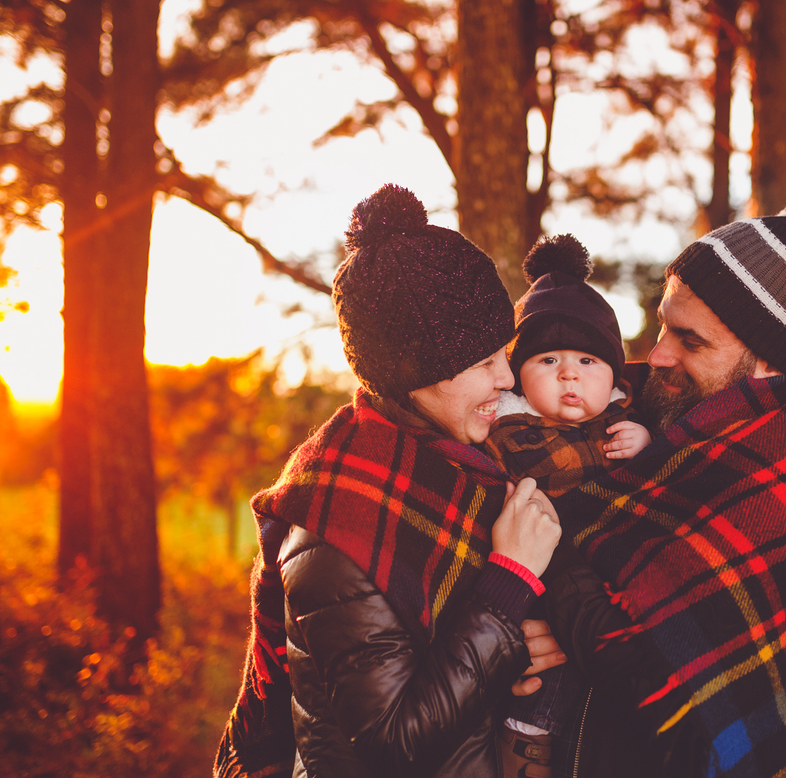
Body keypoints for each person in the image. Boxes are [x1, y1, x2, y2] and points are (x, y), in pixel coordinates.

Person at [213, 184, 565, 778]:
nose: (507, 376)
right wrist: (508, 587)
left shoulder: (459, 473)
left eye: (502, 353)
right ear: (414, 374)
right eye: (482, 362)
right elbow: (394, 741)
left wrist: (514, 647)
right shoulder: (340, 520)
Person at [545, 171, 786, 778]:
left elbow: (654, 689)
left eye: (689, 339)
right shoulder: (637, 411)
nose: (657, 353)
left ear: (768, 365)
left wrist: (551, 591)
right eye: (664, 325)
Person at [482, 234, 652, 776]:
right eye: (547, 359)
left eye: (587, 360)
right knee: (543, 677)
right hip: (534, 582)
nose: (568, 374)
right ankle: (523, 742)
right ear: (518, 375)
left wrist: (644, 442)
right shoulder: (504, 428)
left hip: (605, 581)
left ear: (615, 375)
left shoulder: (627, 424)